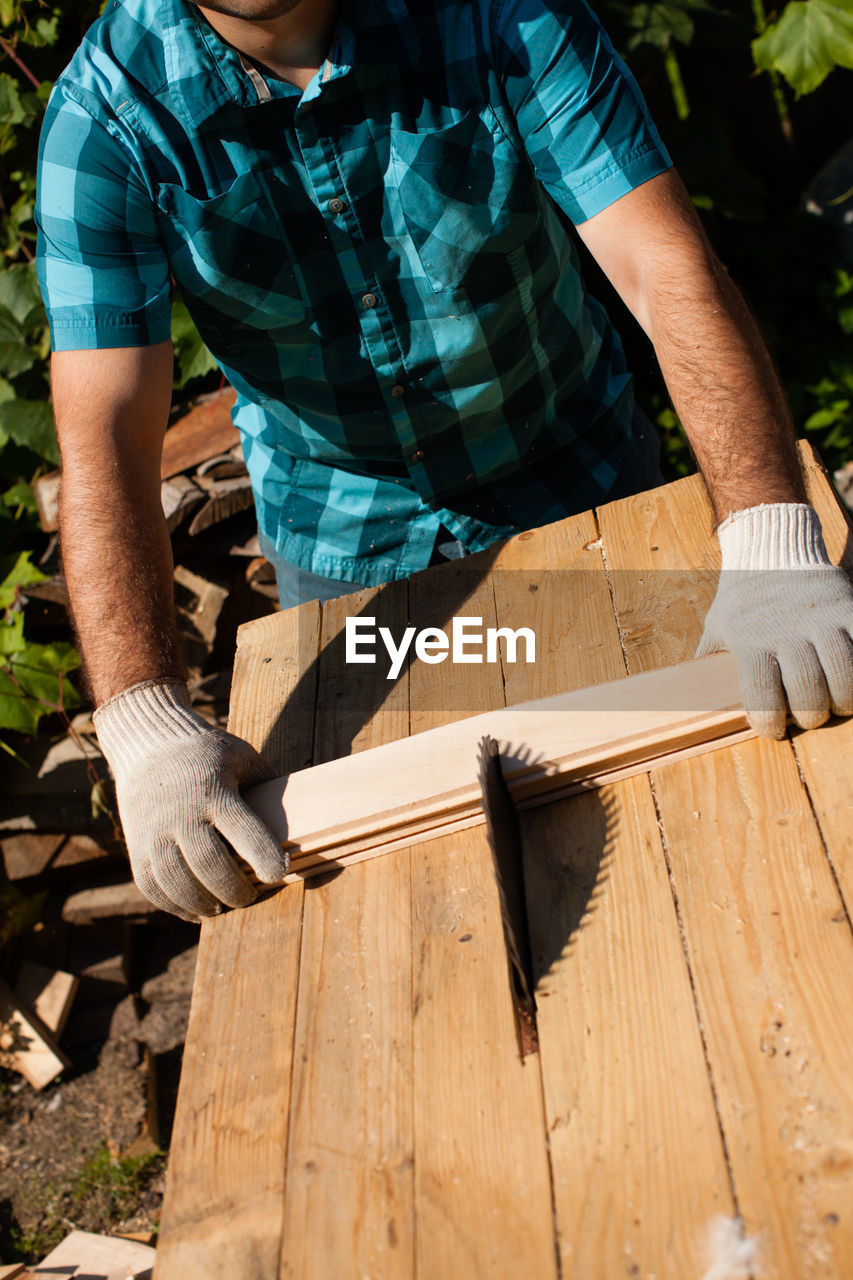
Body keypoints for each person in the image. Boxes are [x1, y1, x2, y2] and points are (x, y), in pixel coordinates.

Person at [36, 0, 853, 920]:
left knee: (702, 836)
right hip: (346, 543)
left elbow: (664, 267)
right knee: (411, 912)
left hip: (581, 476)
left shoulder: (502, 12)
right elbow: (105, 425)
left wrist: (772, 541)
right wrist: (142, 722)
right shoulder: (107, 119)